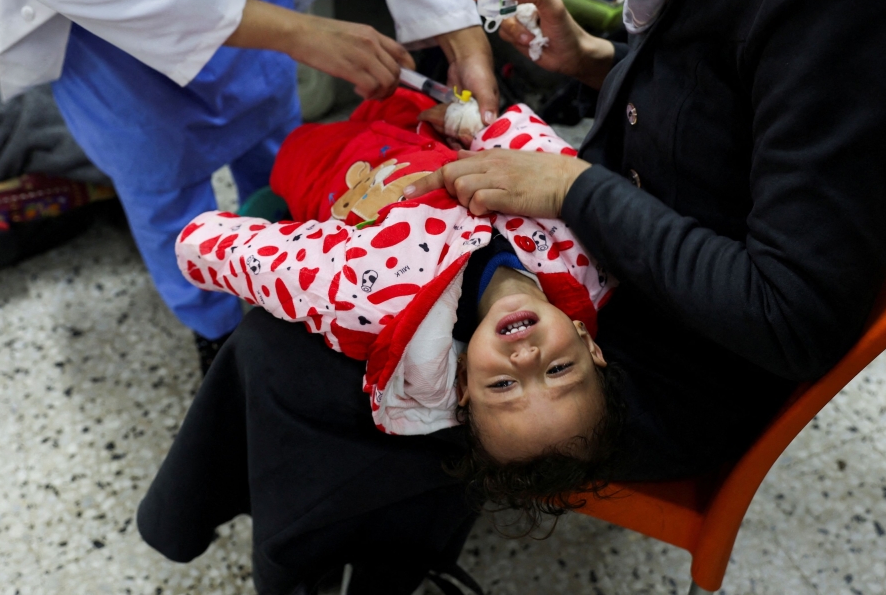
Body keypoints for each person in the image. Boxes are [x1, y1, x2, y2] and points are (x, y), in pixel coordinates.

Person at [138, 0, 886, 591]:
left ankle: (347, 556)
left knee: (285, 352)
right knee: (349, 227)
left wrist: (573, 189)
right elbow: (745, 104)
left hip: (688, 353)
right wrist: (599, 61)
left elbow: (791, 315)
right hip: (642, 258)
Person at [0, 0, 498, 369]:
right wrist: (296, 32)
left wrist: (454, 21)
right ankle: (214, 328)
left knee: (280, 146)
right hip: (105, 4)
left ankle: (293, 271)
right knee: (161, 180)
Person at [174, 89, 616, 461]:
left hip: (331, 169)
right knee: (388, 92)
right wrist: (477, 123)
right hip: (422, 125)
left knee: (288, 150)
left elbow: (291, 270)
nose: (525, 361)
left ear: (463, 381)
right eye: (558, 369)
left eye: (502, 385)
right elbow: (543, 158)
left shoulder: (382, 306)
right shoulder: (589, 253)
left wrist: (202, 242)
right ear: (588, 341)